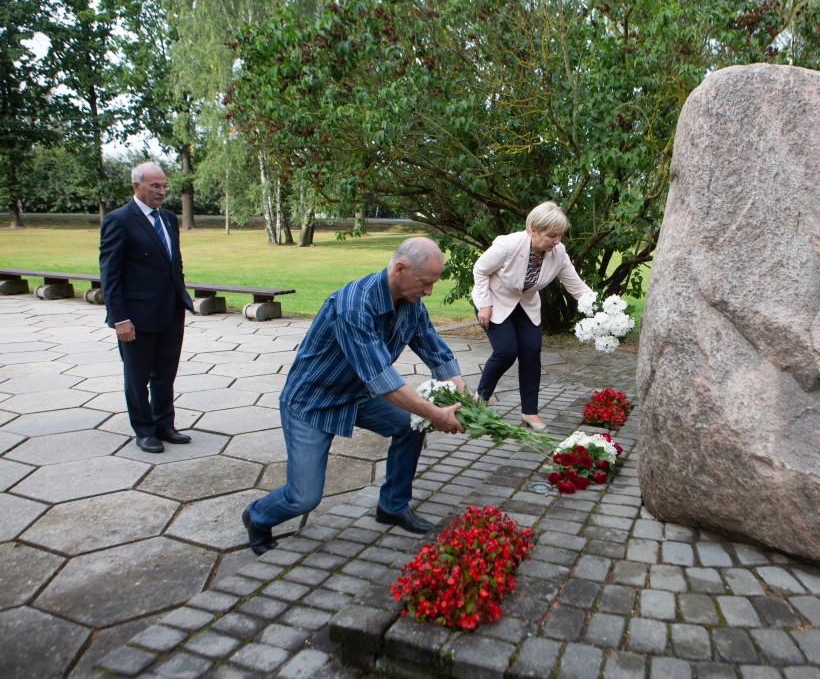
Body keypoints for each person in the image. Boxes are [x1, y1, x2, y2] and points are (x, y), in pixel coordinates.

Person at [243, 238, 469, 554]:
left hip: (356, 393)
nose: (429, 291)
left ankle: (392, 505)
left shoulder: (411, 304)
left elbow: (437, 353)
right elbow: (382, 380)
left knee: (409, 426)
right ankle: (257, 516)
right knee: (304, 497)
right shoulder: (354, 304)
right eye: (424, 283)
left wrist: (465, 395)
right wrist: (435, 414)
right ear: (400, 269)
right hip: (313, 400)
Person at [99, 162, 195, 454]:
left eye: (164, 186)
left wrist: (181, 297)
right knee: (137, 377)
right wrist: (120, 319)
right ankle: (144, 430)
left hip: (170, 311)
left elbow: (173, 263)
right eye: (155, 186)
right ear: (137, 186)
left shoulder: (167, 218)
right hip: (136, 317)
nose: (162, 192)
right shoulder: (119, 220)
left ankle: (164, 424)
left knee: (165, 374)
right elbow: (110, 274)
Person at [472, 202, 592, 431]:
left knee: (531, 351)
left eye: (560, 235)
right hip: (494, 301)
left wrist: (602, 309)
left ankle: (529, 412)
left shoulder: (558, 252)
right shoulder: (508, 244)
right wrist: (484, 304)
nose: (557, 241)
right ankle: (481, 399)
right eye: (552, 235)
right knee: (506, 350)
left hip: (525, 305)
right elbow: (480, 269)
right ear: (534, 230)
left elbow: (576, 286)